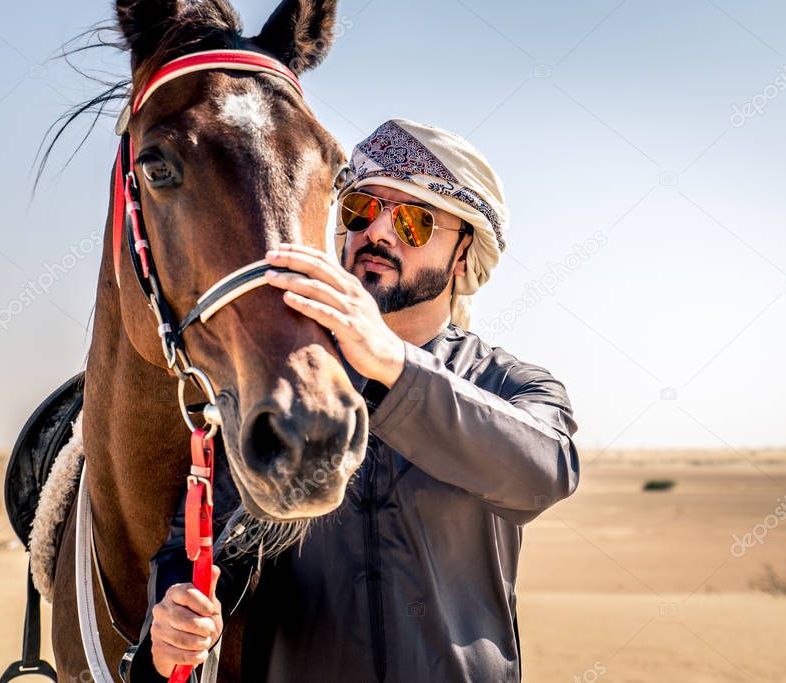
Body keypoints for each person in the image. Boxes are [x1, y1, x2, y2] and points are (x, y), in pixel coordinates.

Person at [123, 118, 580, 682]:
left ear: (464, 258)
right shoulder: (285, 382)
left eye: (414, 220)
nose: (378, 233)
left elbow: (544, 473)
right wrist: (168, 628)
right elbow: (195, 542)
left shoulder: (506, 383)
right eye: (363, 209)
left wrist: (392, 364)